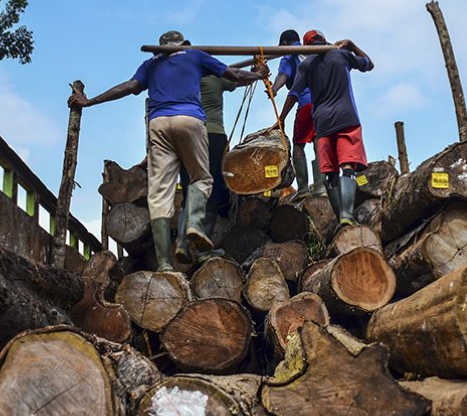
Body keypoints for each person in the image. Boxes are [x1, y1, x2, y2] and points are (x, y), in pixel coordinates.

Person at [68, 30, 266, 271]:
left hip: (158, 123)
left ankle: (164, 264)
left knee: (160, 195)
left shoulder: (150, 64)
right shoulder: (196, 56)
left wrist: (90, 102)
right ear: (182, 44)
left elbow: (129, 87)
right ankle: (194, 225)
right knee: (202, 179)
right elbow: (234, 75)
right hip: (190, 121)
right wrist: (258, 74)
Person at [274, 29, 374, 226]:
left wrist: (281, 117)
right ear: (324, 40)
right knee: (347, 165)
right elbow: (368, 64)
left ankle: (327, 207)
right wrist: (351, 45)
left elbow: (294, 92)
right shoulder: (341, 55)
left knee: (329, 170)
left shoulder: (306, 65)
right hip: (347, 119)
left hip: (322, 122)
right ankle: (346, 215)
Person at [174, 69, 242, 264]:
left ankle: (181, 243)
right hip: (211, 135)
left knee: (189, 189)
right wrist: (256, 72)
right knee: (210, 189)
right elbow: (237, 81)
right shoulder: (215, 78)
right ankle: (202, 249)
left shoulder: (177, 82)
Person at [269, 29, 325, 198]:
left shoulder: (289, 55)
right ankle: (320, 187)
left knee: (299, 144)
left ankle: (302, 189)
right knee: (317, 140)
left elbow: (283, 75)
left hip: (306, 103)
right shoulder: (311, 52)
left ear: (285, 44)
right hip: (324, 103)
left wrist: (274, 89)